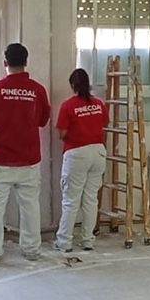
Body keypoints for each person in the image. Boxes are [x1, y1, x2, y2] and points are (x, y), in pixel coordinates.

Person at [0, 43, 51, 265]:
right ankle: (31, 250)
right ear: (26, 62)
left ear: (5, 62)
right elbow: (43, 120)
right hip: (28, 160)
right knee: (30, 207)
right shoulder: (37, 90)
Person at [53, 68, 108, 254]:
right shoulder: (99, 104)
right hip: (99, 152)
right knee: (91, 199)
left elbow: (62, 133)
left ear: (72, 85)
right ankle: (88, 240)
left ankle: (64, 242)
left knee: (71, 201)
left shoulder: (68, 106)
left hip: (77, 154)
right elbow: (104, 124)